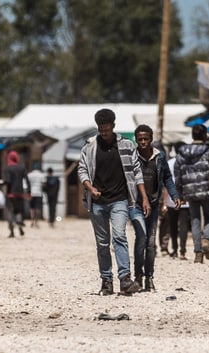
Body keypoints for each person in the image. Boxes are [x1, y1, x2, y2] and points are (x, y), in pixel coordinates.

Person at [78, 108, 149, 295]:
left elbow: (136, 171)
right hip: (97, 202)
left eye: (107, 129)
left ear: (113, 126)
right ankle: (106, 280)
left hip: (119, 200)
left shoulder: (126, 145)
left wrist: (144, 197)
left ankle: (125, 279)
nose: (104, 133)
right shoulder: (89, 146)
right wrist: (90, 188)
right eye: (101, 129)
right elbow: (82, 170)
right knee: (102, 243)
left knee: (119, 236)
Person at [128, 125, 181, 291]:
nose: (143, 142)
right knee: (141, 238)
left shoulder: (159, 157)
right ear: (136, 140)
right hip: (135, 204)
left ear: (151, 139)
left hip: (153, 204)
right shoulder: (131, 157)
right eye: (140, 139)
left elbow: (167, 178)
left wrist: (174, 195)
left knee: (150, 243)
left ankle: (149, 277)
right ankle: (137, 275)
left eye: (146, 139)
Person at [174, 124, 209, 264]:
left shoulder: (181, 152)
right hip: (207, 190)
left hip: (190, 191)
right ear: (205, 136)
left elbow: (177, 174)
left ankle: (198, 253)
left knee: (195, 220)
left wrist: (179, 193)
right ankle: (206, 239)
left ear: (192, 135)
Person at [165, 141, 190, 260]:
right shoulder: (188, 163)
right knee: (184, 226)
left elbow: (165, 183)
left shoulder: (169, 163)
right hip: (185, 199)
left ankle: (174, 249)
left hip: (171, 199)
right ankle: (182, 251)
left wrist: (164, 201)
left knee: (173, 225)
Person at [2, 150, 30, 238]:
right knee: (18, 212)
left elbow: (7, 181)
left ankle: (12, 232)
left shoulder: (7, 168)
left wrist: (0, 183)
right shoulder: (22, 168)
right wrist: (29, 192)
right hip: (20, 194)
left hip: (10, 194)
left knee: (10, 212)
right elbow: (27, 180)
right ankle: (20, 227)